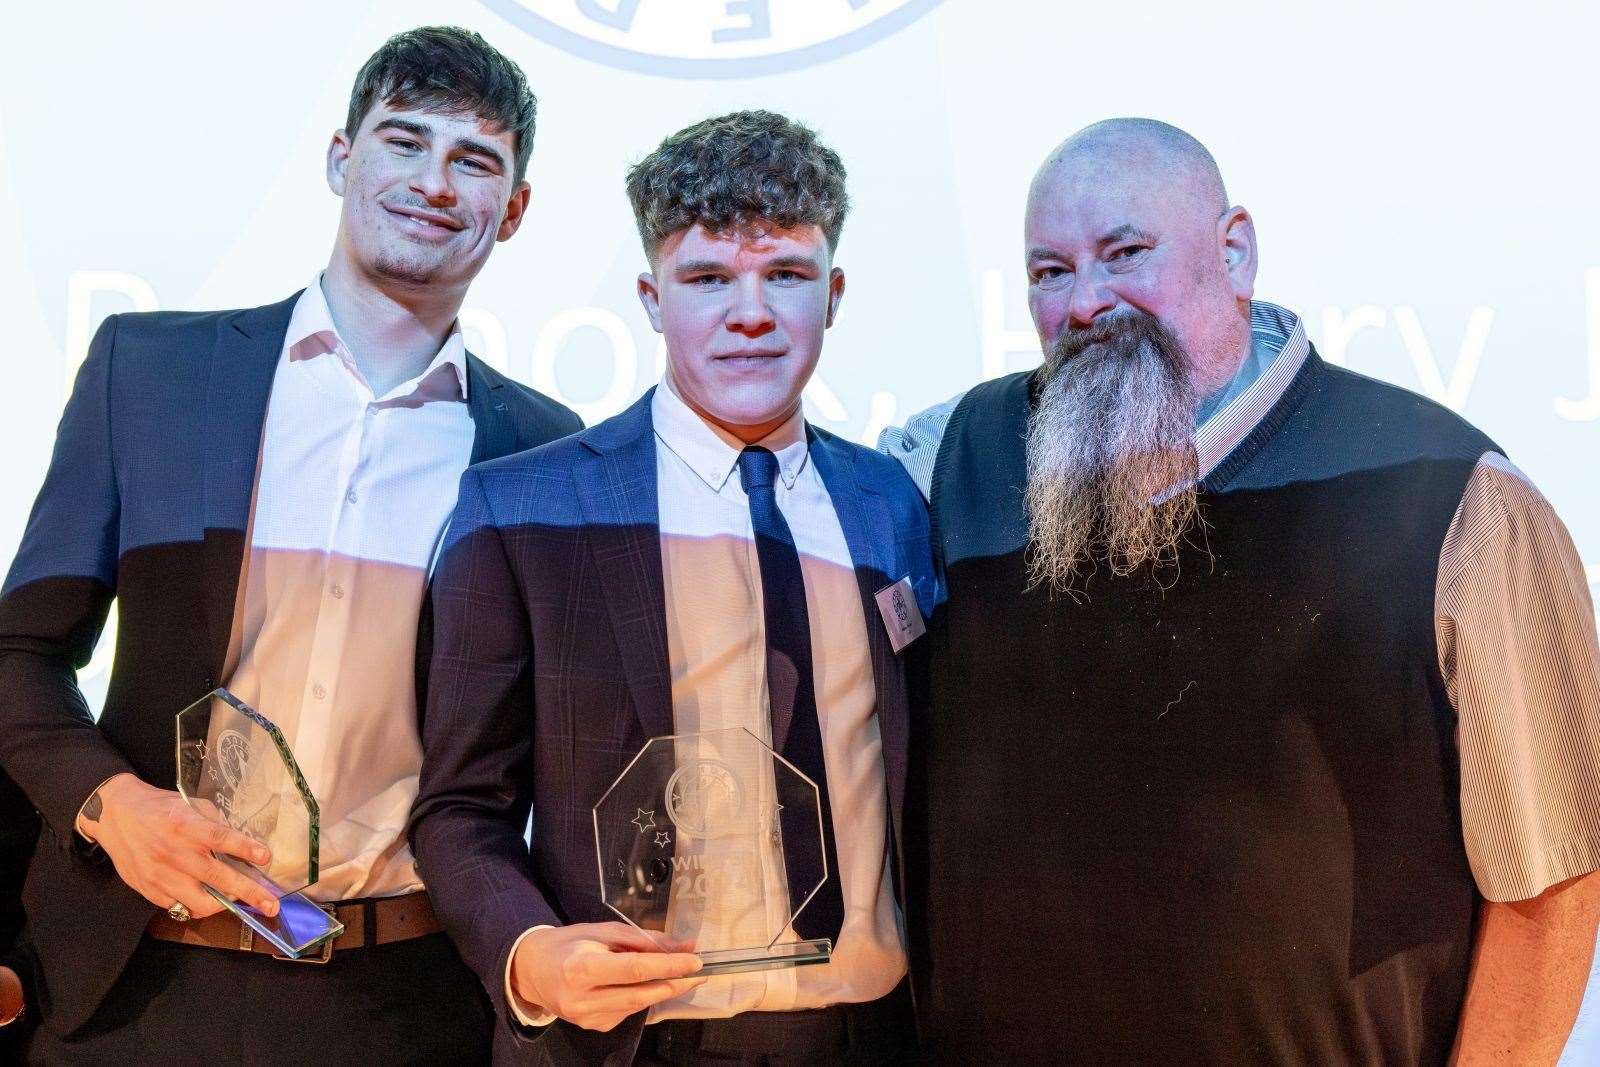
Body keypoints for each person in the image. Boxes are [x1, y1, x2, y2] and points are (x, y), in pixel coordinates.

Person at [884, 118, 1600, 1065]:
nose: (1088, 301)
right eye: (1049, 271)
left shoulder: (1449, 492)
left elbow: (1552, 885)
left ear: (1236, 250)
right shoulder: (948, 465)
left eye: (1125, 253)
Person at [0, 26, 580, 1063]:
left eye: (474, 161)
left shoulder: (544, 451)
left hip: (402, 1007)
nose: (433, 183)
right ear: (338, 158)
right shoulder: (154, 371)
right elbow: (20, 655)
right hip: (131, 989)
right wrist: (110, 801)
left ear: (516, 208)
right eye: (403, 142)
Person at [412, 110, 934, 1065]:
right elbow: (459, 810)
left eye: (785, 275)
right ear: (653, 298)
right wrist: (528, 955)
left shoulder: (888, 500)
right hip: (633, 1042)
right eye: (707, 279)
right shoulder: (522, 504)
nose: (750, 312)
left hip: (875, 1031)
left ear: (836, 291)